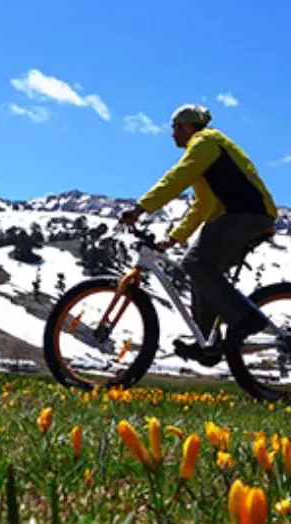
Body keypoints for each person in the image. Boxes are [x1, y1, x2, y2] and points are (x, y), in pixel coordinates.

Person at [118, 104, 277, 364]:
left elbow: (176, 178)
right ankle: (207, 345)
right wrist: (173, 238)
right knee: (202, 273)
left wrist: (140, 208)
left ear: (188, 127)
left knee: (194, 262)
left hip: (247, 213)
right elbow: (202, 206)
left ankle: (246, 320)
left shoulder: (205, 142)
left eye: (175, 128)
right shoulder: (206, 155)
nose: (172, 135)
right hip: (244, 214)